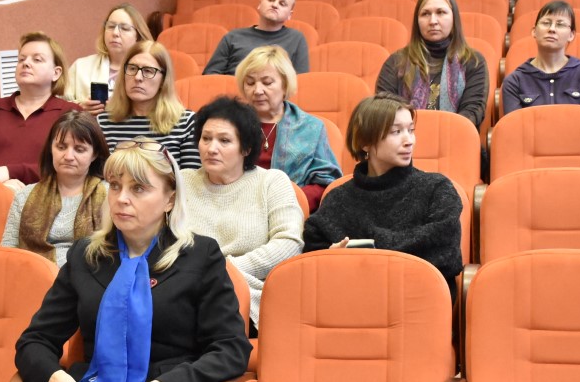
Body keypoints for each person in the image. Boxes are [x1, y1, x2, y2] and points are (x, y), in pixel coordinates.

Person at [12, 137, 252, 382]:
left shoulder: (199, 256)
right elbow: (35, 341)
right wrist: (54, 377)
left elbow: (231, 349)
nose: (122, 199)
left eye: (138, 189)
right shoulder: (86, 256)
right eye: (115, 186)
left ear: (169, 199)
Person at [303, 93, 462, 302]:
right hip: (352, 301)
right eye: (396, 132)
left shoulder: (436, 188)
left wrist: (369, 249)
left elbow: (447, 254)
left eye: (411, 130)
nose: (409, 141)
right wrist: (330, 255)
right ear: (365, 142)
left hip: (417, 299)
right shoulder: (338, 199)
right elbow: (313, 255)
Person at [182, 97, 304, 335]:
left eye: (224, 140)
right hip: (185, 293)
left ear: (246, 148)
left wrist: (224, 270)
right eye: (206, 138)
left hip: (249, 296)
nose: (211, 148)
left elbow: (289, 243)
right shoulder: (182, 182)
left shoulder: (271, 182)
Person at [0, 31, 80, 189]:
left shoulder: (72, 113)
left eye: (37, 59)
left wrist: (9, 172)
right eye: (21, 59)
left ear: (56, 73)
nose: (26, 63)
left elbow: (77, 164)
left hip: (48, 199)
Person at [235, 45, 341, 211]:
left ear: (285, 85)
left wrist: (290, 200)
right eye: (250, 83)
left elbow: (326, 182)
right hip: (237, 209)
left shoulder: (310, 127)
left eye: (267, 82)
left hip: (293, 209)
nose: (257, 90)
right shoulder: (231, 124)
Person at [1, 111, 110, 266]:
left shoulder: (109, 195)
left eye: (79, 149)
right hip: (31, 275)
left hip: (89, 276)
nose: (68, 156)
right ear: (51, 149)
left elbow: (116, 252)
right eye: (61, 147)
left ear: (94, 154)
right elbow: (7, 253)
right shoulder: (24, 196)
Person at [376, 0, 488, 129]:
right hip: (404, 138)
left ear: (454, 18)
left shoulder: (473, 61)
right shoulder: (396, 62)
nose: (433, 21)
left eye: (441, 12)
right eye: (425, 14)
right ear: (417, 21)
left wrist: (440, 135)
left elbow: (472, 112)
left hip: (455, 136)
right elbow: (384, 111)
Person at [98, 41, 201, 169]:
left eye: (148, 71)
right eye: (132, 68)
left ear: (163, 80)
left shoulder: (186, 123)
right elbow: (98, 176)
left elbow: (190, 178)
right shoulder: (103, 122)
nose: (138, 77)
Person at [502, 0, 580, 114]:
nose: (552, 29)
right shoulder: (515, 81)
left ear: (571, 35)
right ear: (534, 31)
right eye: (546, 23)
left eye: (560, 24)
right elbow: (514, 124)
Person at [65, 3, 153, 115]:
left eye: (124, 28)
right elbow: (58, 106)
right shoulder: (80, 67)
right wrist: (79, 108)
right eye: (111, 27)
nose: (115, 33)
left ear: (138, 36)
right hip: (88, 125)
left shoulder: (150, 70)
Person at [203, 0, 309, 75]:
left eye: (282, 4)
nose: (274, 5)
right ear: (260, 4)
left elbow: (301, 81)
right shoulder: (233, 37)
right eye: (270, 0)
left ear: (290, 15)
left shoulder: (296, 39)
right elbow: (210, 76)